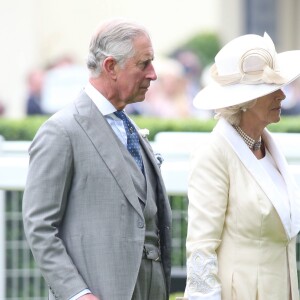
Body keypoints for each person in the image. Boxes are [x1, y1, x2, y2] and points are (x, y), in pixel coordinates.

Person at [22, 18, 172, 300]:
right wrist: (77, 294)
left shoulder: (129, 125)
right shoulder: (61, 131)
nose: (153, 74)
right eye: (144, 64)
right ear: (111, 67)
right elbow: (40, 226)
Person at [178, 32, 300, 300]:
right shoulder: (213, 154)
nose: (281, 95)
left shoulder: (267, 147)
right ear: (244, 103)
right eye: (269, 90)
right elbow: (201, 246)